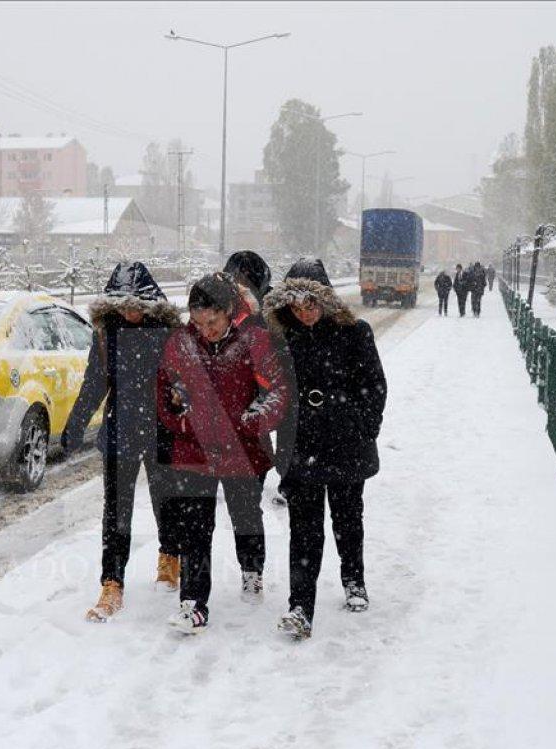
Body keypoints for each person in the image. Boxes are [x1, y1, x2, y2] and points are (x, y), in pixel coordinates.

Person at [156, 272, 290, 633]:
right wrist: (181, 420)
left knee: (245, 513)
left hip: (241, 449)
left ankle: (252, 570)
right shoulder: (181, 344)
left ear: (229, 311)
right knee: (195, 526)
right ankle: (193, 603)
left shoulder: (255, 342)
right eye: (198, 322)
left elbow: (277, 392)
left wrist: (251, 421)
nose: (206, 329)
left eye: (212, 321)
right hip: (194, 449)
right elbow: (165, 395)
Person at [264, 259, 388, 639]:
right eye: (297, 307)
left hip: (347, 444)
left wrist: (363, 428)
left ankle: (354, 579)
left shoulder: (355, 333)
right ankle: (300, 607)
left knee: (348, 519)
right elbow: (272, 391)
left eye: (311, 305)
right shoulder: (282, 340)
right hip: (303, 448)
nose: (304, 314)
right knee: (304, 531)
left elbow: (376, 386)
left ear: (327, 301)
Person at [62, 261, 183, 622]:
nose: (129, 311)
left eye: (136, 304)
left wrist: (182, 401)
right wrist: (75, 424)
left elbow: (185, 382)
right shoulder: (106, 334)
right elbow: (96, 382)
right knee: (116, 511)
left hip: (161, 430)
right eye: (122, 304)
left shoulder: (169, 334)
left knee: (165, 501)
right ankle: (112, 583)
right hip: (121, 431)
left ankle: (169, 556)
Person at [222, 250, 271, 325]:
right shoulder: (223, 304)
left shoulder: (274, 307)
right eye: (236, 276)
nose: (242, 284)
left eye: (249, 278)